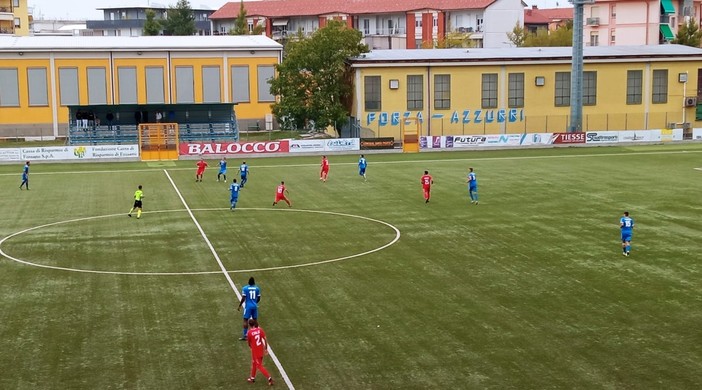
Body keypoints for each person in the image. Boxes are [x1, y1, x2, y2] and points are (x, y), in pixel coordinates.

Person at [245, 319, 274, 386]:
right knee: (254, 363)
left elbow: (249, 343)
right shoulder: (260, 330)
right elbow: (265, 339)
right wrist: (266, 349)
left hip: (255, 351)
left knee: (259, 366)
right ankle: (252, 378)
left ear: (249, 325)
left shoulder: (249, 332)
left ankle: (269, 378)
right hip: (261, 350)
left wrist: (251, 347)